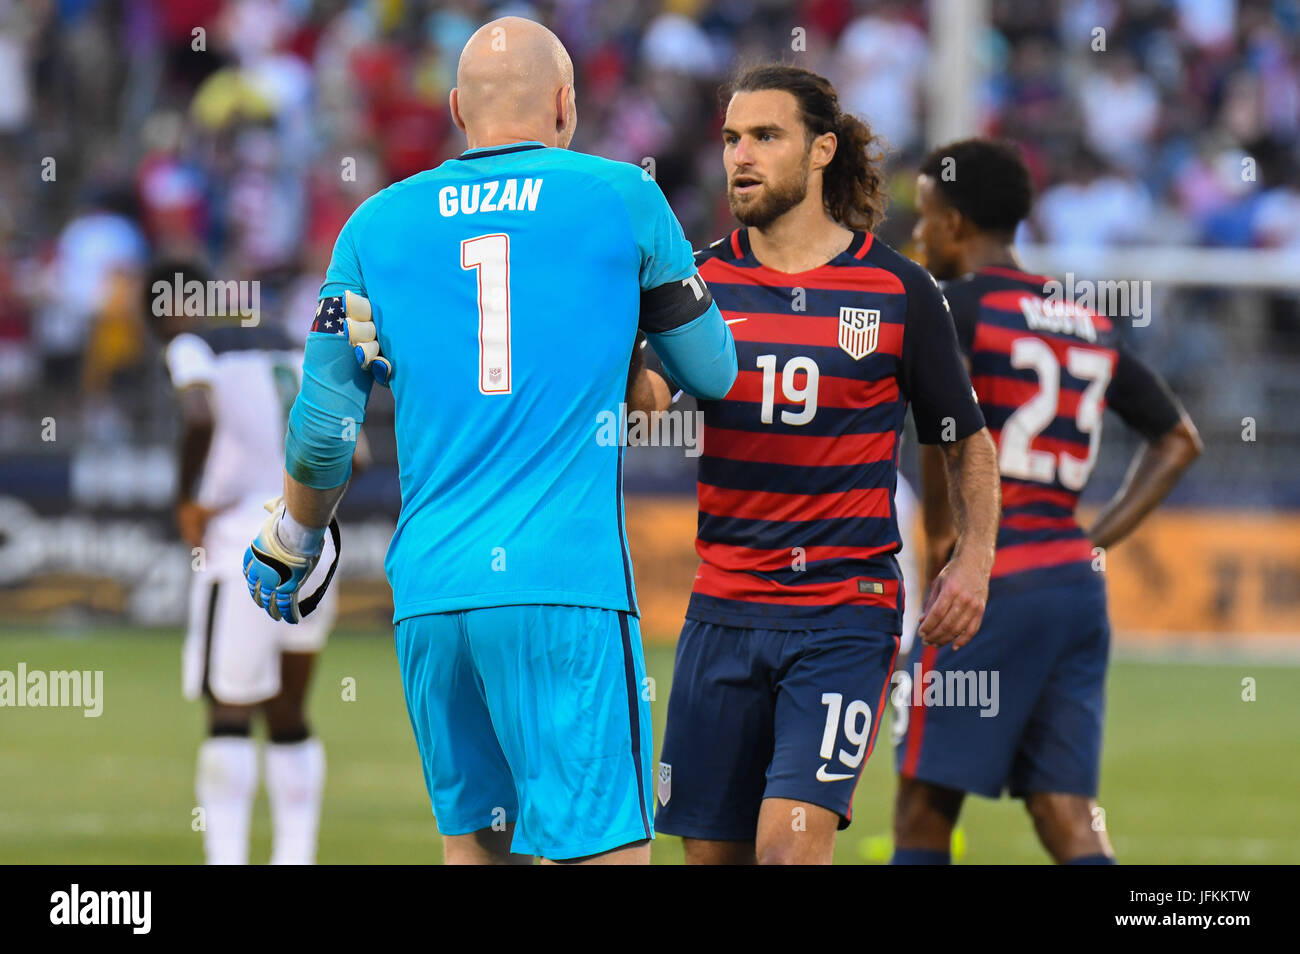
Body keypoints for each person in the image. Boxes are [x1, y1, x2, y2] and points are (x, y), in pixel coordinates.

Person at [241, 16, 736, 865]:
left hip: (431, 593)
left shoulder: (372, 225)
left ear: (456, 109)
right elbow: (714, 369)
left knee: (475, 855)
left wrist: (294, 535)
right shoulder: (622, 196)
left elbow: (323, 432)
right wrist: (636, 380)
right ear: (565, 105)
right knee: (603, 852)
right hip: (564, 586)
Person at [653, 65, 1001, 865]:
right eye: (733, 138)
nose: (741, 156)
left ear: (821, 151)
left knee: (789, 851)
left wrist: (975, 559)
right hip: (722, 610)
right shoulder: (698, 284)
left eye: (766, 137)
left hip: (845, 612)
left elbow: (966, 438)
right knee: (713, 858)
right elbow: (643, 397)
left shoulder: (899, 290)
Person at [894, 138, 1202, 864]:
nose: (917, 234)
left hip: (988, 583)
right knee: (1066, 815)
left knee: (921, 815)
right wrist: (1093, 543)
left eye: (926, 217)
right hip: (1071, 585)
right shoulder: (1088, 321)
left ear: (956, 223)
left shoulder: (947, 308)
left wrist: (944, 540)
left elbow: (949, 423)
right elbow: (1179, 440)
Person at [150, 259, 349, 865]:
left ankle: (228, 858)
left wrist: (189, 499)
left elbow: (199, 414)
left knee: (229, 711)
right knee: (289, 712)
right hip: (311, 538)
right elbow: (354, 449)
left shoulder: (191, 345)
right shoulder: (294, 344)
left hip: (238, 538)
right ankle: (295, 856)